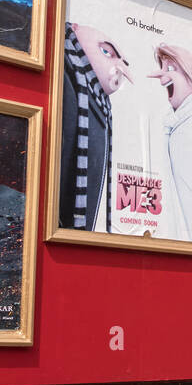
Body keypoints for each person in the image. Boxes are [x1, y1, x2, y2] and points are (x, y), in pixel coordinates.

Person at [59, 22, 131, 232]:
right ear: (75, 30)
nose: (119, 68)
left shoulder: (98, 106)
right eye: (107, 52)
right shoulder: (67, 80)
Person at [147, 42, 192, 242]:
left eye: (171, 68)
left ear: (191, 72)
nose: (161, 78)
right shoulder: (173, 121)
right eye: (162, 69)